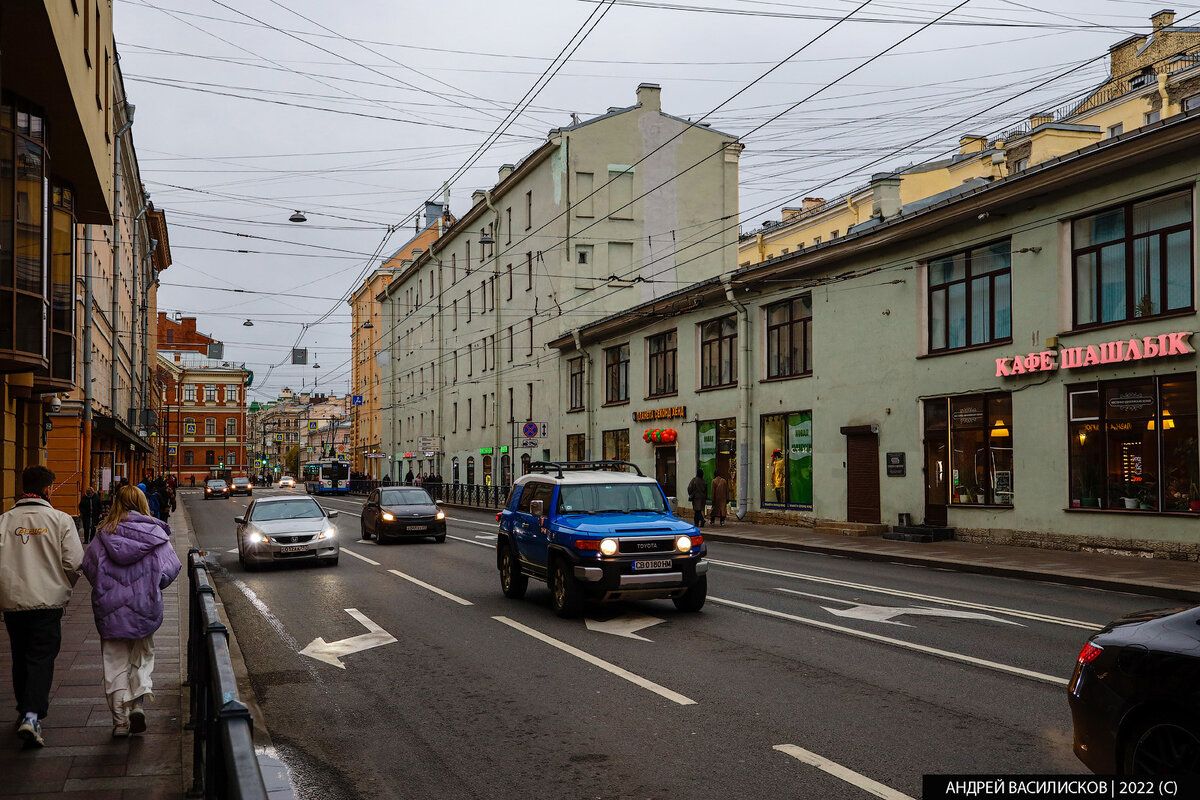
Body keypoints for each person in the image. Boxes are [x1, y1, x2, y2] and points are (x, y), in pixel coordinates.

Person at [80, 485, 181, 738]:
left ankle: (120, 722)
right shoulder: (155, 534)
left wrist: (107, 588)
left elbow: (89, 568)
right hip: (144, 607)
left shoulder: (102, 534)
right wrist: (151, 585)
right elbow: (170, 570)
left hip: (110, 609)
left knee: (114, 663)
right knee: (143, 656)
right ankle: (137, 704)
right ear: (143, 503)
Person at [0, 466, 84, 748]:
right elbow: (74, 563)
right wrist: (61, 583)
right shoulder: (60, 520)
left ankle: (24, 708)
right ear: (48, 489)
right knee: (40, 658)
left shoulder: (4, 521)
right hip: (47, 603)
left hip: (12, 602)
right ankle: (32, 715)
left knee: (20, 656)